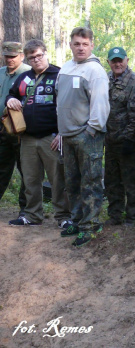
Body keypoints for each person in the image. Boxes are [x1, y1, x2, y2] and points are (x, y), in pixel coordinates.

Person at [5, 40, 72, 228]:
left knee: (57, 179)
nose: (36, 60)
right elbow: (12, 95)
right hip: (27, 138)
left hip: (51, 137)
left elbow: (68, 105)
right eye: (32, 57)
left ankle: (63, 216)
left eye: (39, 55)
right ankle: (33, 215)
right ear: (27, 59)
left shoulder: (59, 74)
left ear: (46, 53)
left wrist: (61, 133)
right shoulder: (24, 77)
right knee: (31, 179)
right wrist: (10, 100)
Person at [56, 27, 110, 247]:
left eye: (85, 44)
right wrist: (61, 130)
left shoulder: (95, 71)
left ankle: (90, 225)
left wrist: (91, 130)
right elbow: (60, 101)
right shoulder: (66, 68)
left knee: (90, 181)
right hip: (67, 135)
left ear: (91, 46)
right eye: (77, 43)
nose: (80, 47)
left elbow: (101, 105)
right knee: (73, 181)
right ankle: (77, 220)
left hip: (87, 135)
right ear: (70, 44)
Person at [104, 46, 135, 226]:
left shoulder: (134, 81)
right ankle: (115, 215)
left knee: (130, 181)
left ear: (126, 60)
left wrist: (130, 139)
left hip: (126, 140)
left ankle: (132, 217)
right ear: (109, 62)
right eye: (114, 60)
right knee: (111, 180)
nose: (117, 64)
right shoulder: (106, 79)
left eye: (120, 60)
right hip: (109, 140)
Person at [0, 41, 30, 219]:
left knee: (26, 169)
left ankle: (25, 210)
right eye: (7, 56)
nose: (9, 59)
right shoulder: (1, 73)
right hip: (2, 129)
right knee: (1, 168)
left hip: (21, 130)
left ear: (21, 55)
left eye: (13, 56)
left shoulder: (28, 73)